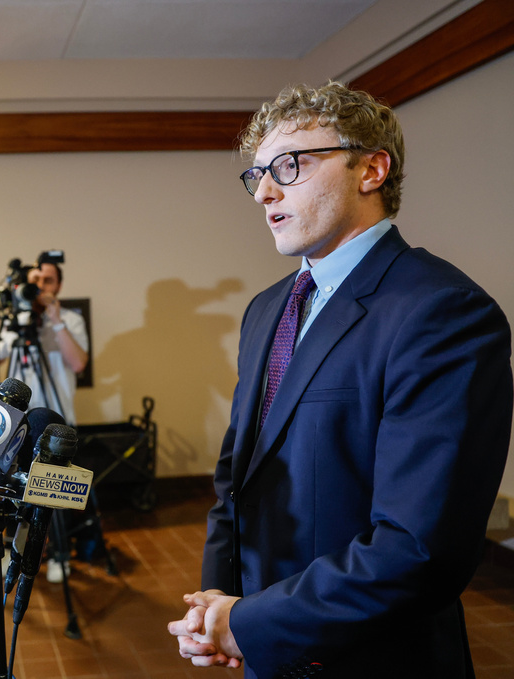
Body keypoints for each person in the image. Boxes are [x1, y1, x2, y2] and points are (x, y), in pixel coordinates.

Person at [167, 82, 513, 679]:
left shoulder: (443, 310)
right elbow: (238, 479)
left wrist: (248, 623)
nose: (265, 191)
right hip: (263, 644)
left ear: (371, 169)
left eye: (290, 166)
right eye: (256, 176)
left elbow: (419, 548)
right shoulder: (266, 308)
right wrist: (216, 608)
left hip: (374, 657)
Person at [0, 257, 88, 426]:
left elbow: (78, 365)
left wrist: (56, 322)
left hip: (57, 417)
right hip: (17, 420)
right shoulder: (17, 321)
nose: (41, 286)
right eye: (35, 280)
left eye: (48, 281)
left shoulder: (71, 320)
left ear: (59, 286)